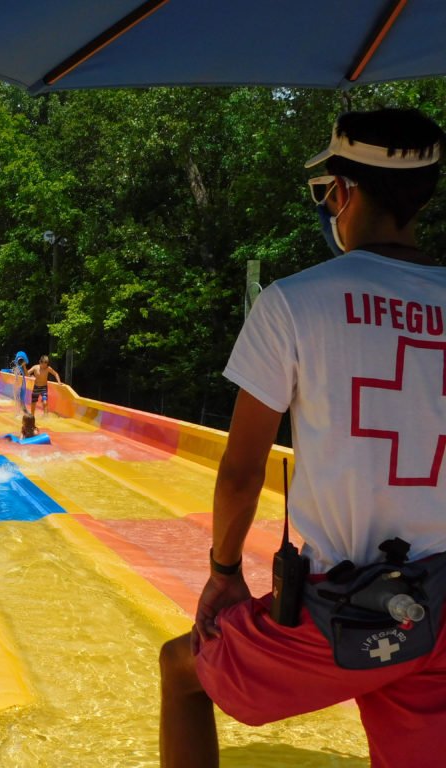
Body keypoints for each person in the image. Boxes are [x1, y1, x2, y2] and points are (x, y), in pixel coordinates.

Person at [158, 109, 446, 768]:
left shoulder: (294, 302)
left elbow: (239, 472)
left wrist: (224, 573)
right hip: (444, 610)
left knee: (180, 670)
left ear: (341, 191)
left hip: (350, 614)